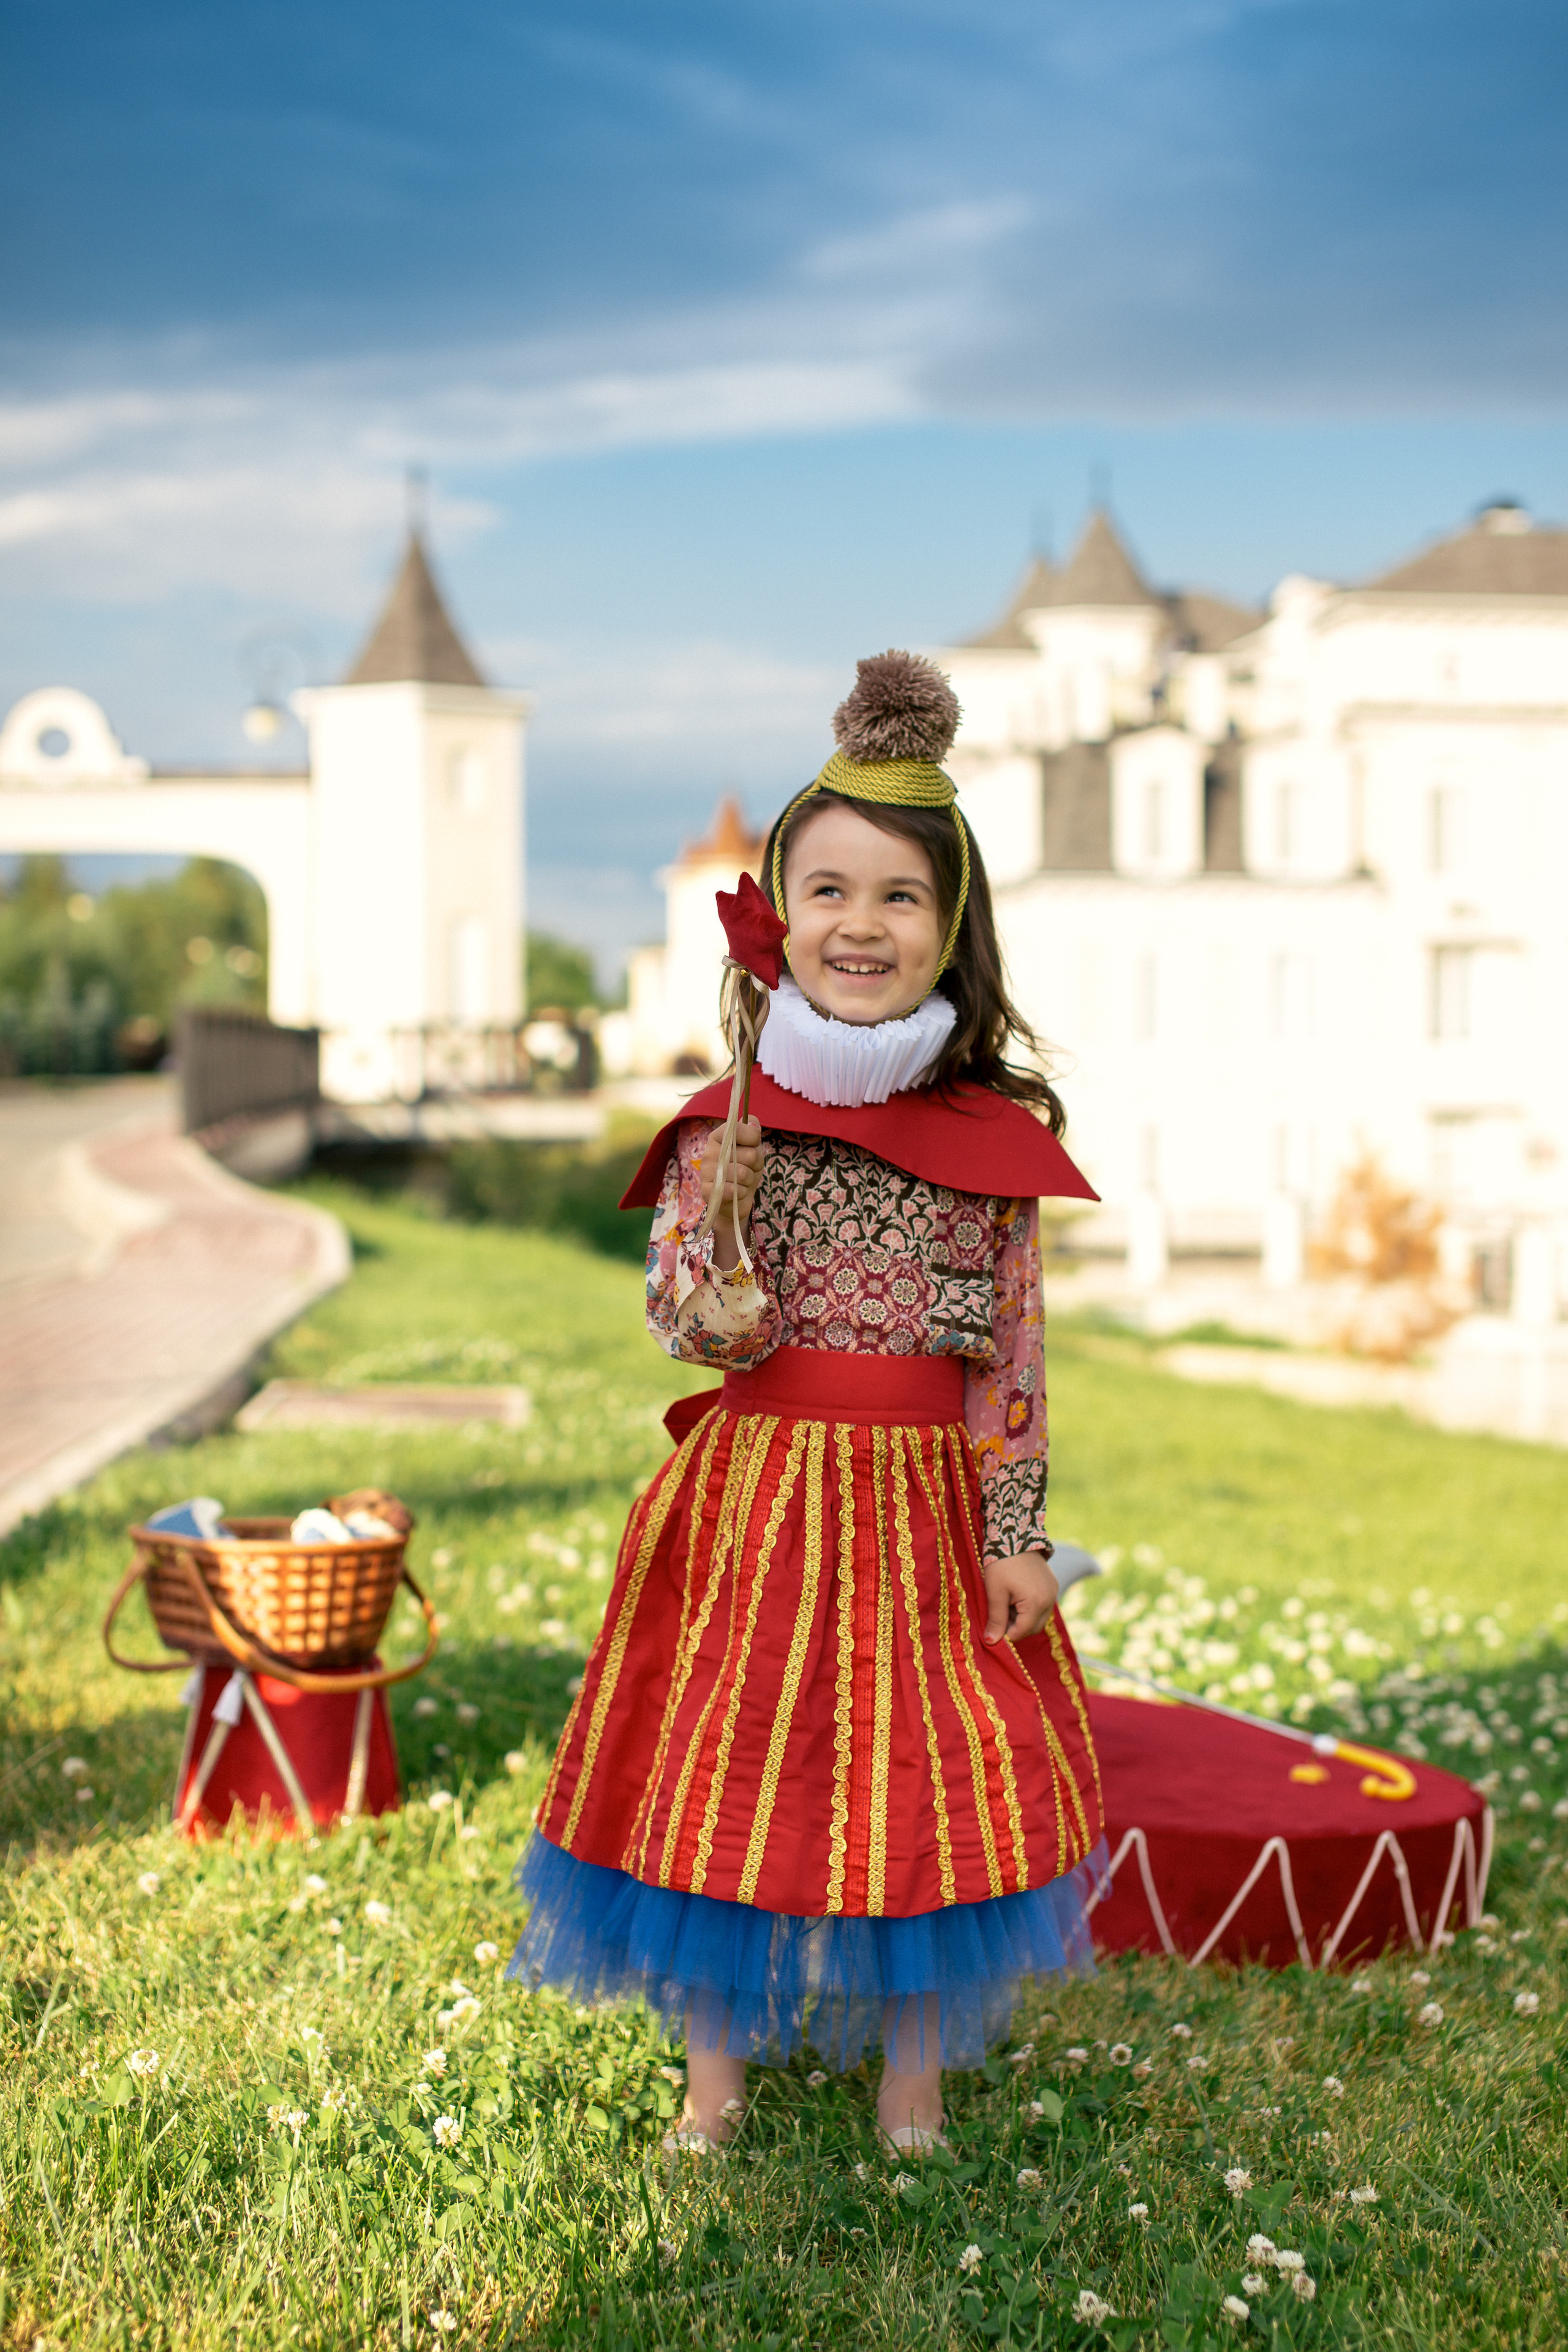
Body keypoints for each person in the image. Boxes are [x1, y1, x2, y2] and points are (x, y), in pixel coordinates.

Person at [508, 650, 1106, 2157]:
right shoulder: (730, 1125)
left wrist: (1016, 1529)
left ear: (949, 934)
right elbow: (681, 1328)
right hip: (760, 1500)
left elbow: (1012, 1361)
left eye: (900, 898)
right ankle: (711, 2083)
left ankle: (912, 2085)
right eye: (828, 891)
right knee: (719, 1769)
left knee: (933, 1784)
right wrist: (718, 1267)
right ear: (777, 919)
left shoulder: (992, 1142)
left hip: (925, 1510)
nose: (862, 924)